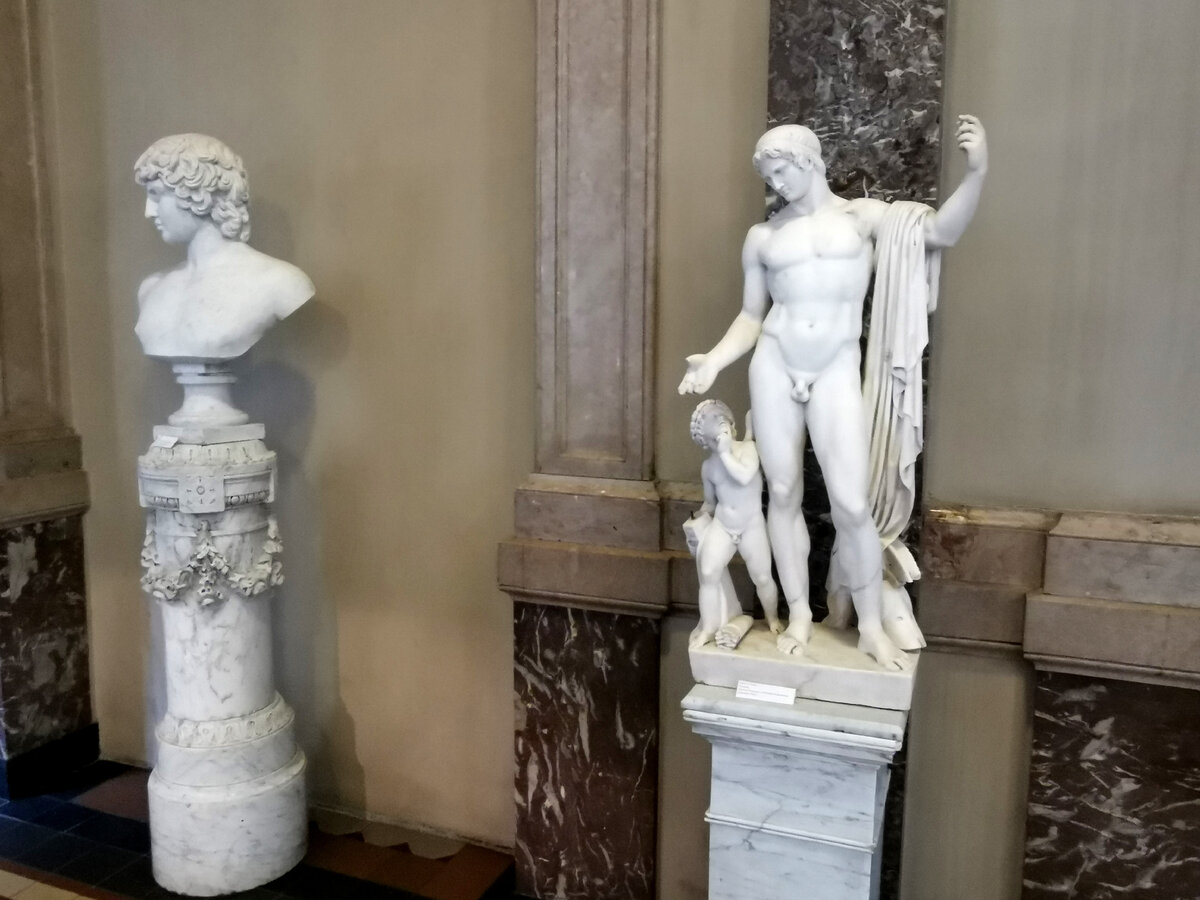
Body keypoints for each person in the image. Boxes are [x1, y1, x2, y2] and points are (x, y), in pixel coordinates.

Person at [679, 116, 987, 670]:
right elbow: (751, 316)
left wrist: (977, 171)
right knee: (783, 492)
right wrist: (714, 361)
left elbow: (941, 232)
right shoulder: (764, 237)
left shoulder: (862, 217)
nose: (777, 186)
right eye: (769, 179)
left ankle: (869, 626)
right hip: (775, 363)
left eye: (782, 172)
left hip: (835, 367)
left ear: (810, 161)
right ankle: (799, 613)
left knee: (851, 503)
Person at [134, 134, 313, 360]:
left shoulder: (280, 282)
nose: (149, 212)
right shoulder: (151, 288)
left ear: (198, 191)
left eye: (156, 195)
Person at [687, 400, 782, 649]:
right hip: (723, 525)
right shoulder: (709, 467)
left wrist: (725, 453)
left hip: (751, 526)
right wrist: (696, 520)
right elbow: (710, 502)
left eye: (724, 424)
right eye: (715, 434)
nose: (722, 432)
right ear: (707, 442)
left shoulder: (748, 449)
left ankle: (772, 618)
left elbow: (744, 476)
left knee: (762, 577)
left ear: (732, 426)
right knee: (708, 573)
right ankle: (709, 627)